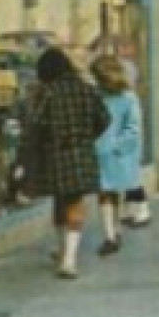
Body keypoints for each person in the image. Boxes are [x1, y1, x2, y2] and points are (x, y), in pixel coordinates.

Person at [15, 47, 110, 279]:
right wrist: (88, 136)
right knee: (75, 202)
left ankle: (65, 253)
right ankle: (68, 256)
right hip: (82, 153)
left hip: (55, 154)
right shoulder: (88, 90)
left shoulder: (48, 93)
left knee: (61, 202)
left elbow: (37, 126)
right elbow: (105, 119)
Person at [91, 54, 149, 250]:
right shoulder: (98, 96)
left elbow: (133, 128)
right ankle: (111, 233)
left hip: (116, 153)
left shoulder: (127, 98)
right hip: (102, 151)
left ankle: (112, 234)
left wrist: (116, 145)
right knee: (106, 192)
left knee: (109, 192)